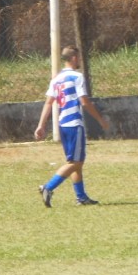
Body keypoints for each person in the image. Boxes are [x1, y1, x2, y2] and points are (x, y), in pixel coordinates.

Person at [34, 46, 110, 207]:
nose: (80, 61)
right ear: (74, 58)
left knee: (75, 162)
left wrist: (41, 125)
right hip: (75, 123)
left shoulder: (56, 79)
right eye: (79, 57)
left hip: (63, 124)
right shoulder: (77, 77)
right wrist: (100, 119)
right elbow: (84, 101)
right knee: (75, 162)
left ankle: (81, 197)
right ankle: (48, 187)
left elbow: (49, 102)